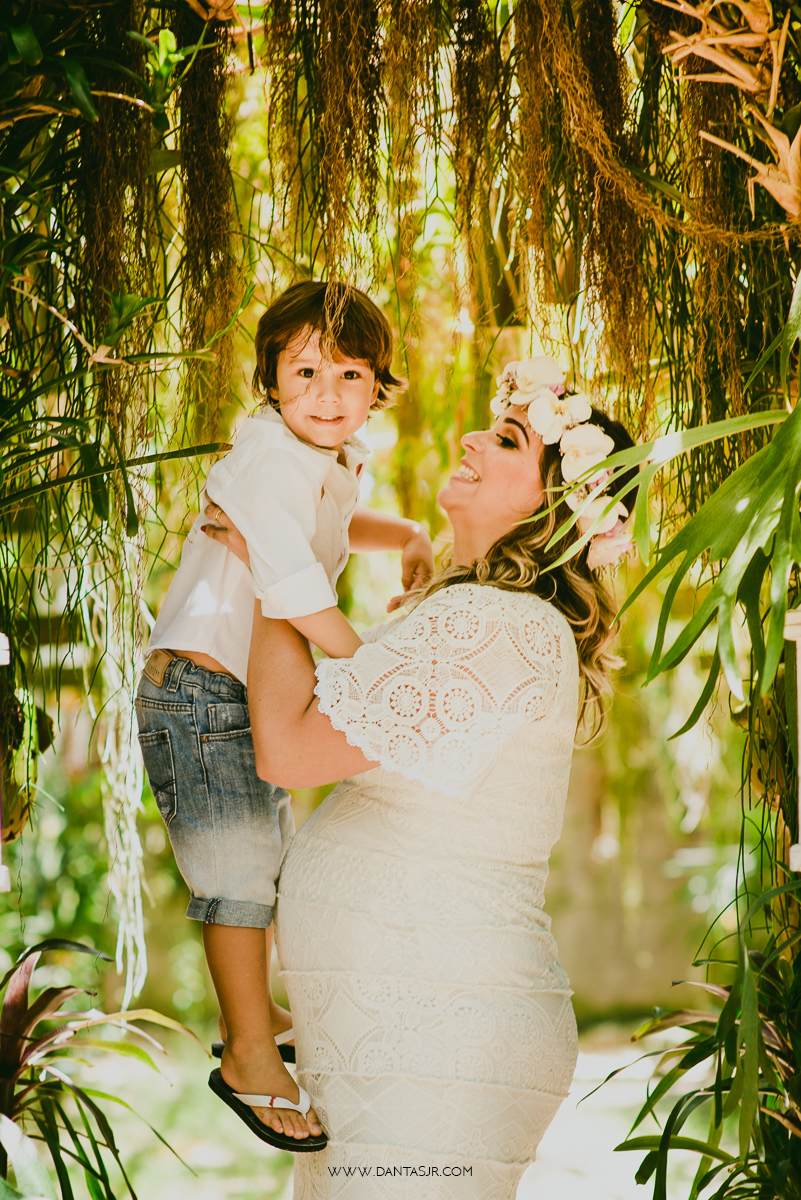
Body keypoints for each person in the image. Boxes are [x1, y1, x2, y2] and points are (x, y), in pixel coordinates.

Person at [203, 355, 636, 1196]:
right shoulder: (465, 611)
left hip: (439, 1041)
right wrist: (286, 564)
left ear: (551, 506)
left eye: (505, 439)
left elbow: (288, 749)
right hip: (392, 1038)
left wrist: (274, 567)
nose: (470, 438)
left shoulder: (500, 626)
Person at [135, 282, 434, 1152]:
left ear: (378, 386)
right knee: (237, 877)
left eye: (350, 374)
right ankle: (248, 1056)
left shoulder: (321, 459)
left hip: (234, 687)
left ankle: (254, 1013)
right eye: (304, 372)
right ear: (269, 379)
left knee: (259, 861)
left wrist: (408, 534)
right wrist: (369, 668)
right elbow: (297, 591)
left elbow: (327, 532)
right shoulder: (269, 458)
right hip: (202, 686)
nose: (327, 394)